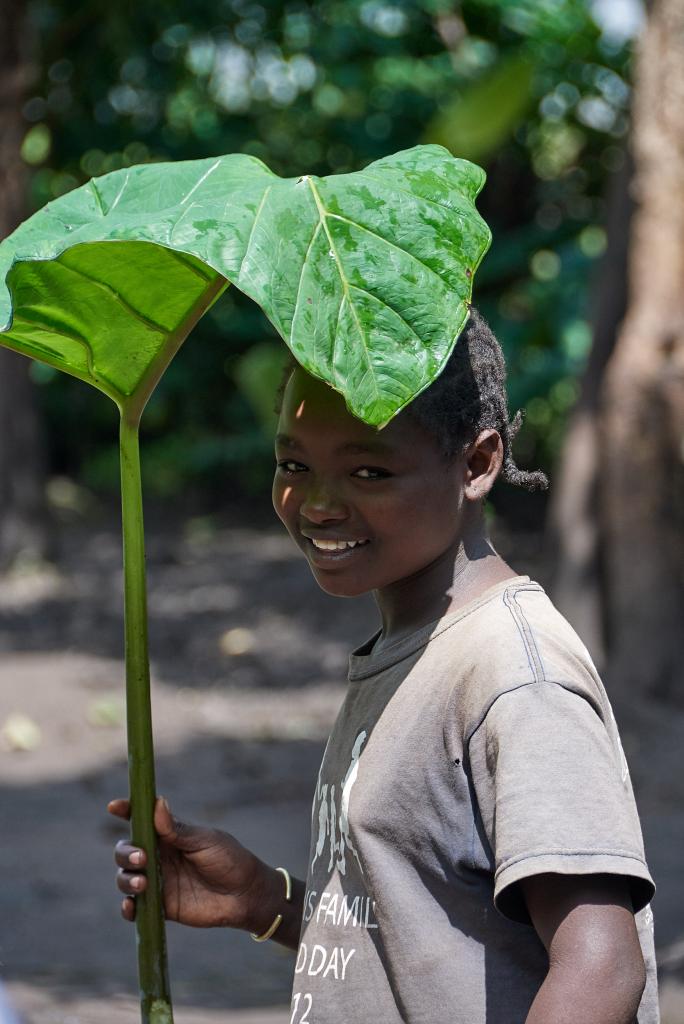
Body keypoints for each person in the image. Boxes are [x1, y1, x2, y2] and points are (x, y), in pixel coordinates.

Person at [110, 308, 658, 1023]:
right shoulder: (415, 650)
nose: (319, 503)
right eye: (293, 464)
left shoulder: (515, 674)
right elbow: (426, 940)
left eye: (369, 470)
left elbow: (600, 968)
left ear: (477, 464)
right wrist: (263, 901)